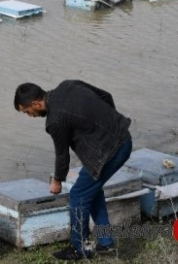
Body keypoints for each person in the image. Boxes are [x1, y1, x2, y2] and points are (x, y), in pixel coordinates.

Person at [14, 80, 133, 261]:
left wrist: (57, 181)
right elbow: (105, 96)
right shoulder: (68, 85)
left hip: (110, 152)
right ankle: (106, 243)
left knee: (78, 195)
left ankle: (80, 248)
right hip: (123, 136)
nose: (29, 116)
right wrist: (110, 124)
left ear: (35, 104)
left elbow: (62, 156)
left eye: (27, 112)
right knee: (92, 192)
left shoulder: (54, 120)